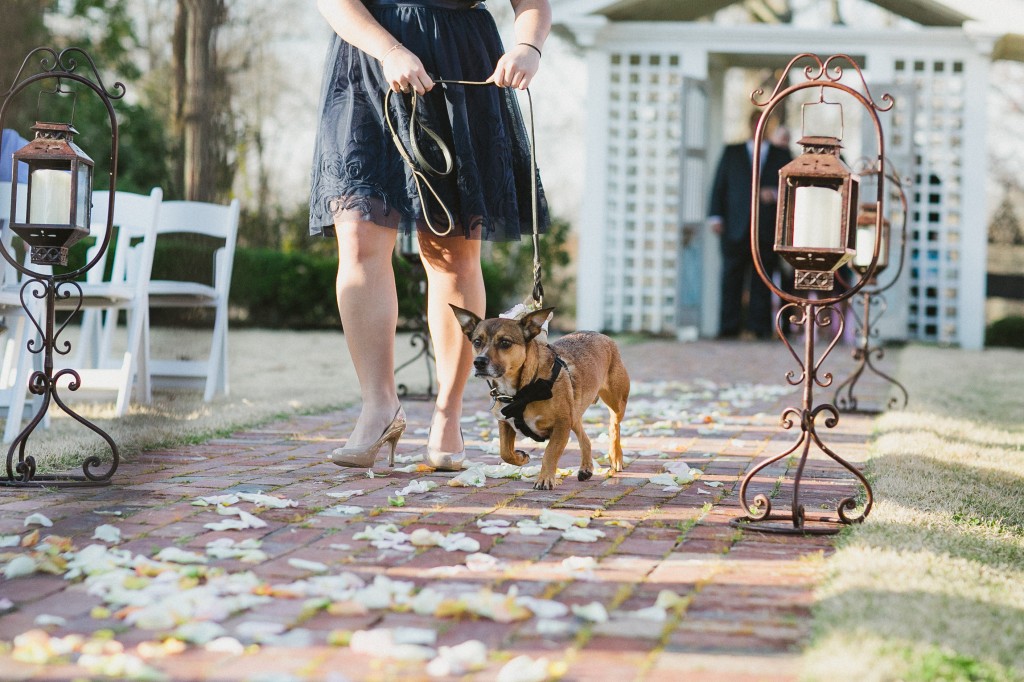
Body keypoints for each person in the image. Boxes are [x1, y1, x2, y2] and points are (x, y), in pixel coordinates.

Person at [309, 0, 552, 471]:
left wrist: (528, 47)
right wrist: (389, 49)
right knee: (358, 238)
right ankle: (378, 407)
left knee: (453, 253)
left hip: (459, 63)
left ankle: (449, 413)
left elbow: (533, 4)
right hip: (369, 63)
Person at [708, 111, 792, 339]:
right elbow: (719, 185)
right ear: (748, 124)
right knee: (730, 278)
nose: (758, 127)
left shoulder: (781, 154)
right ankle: (729, 327)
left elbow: (792, 187)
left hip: (766, 229)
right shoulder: (731, 152)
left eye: (764, 123)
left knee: (762, 280)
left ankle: (760, 328)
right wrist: (715, 216)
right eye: (755, 122)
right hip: (734, 228)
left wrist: (774, 194)